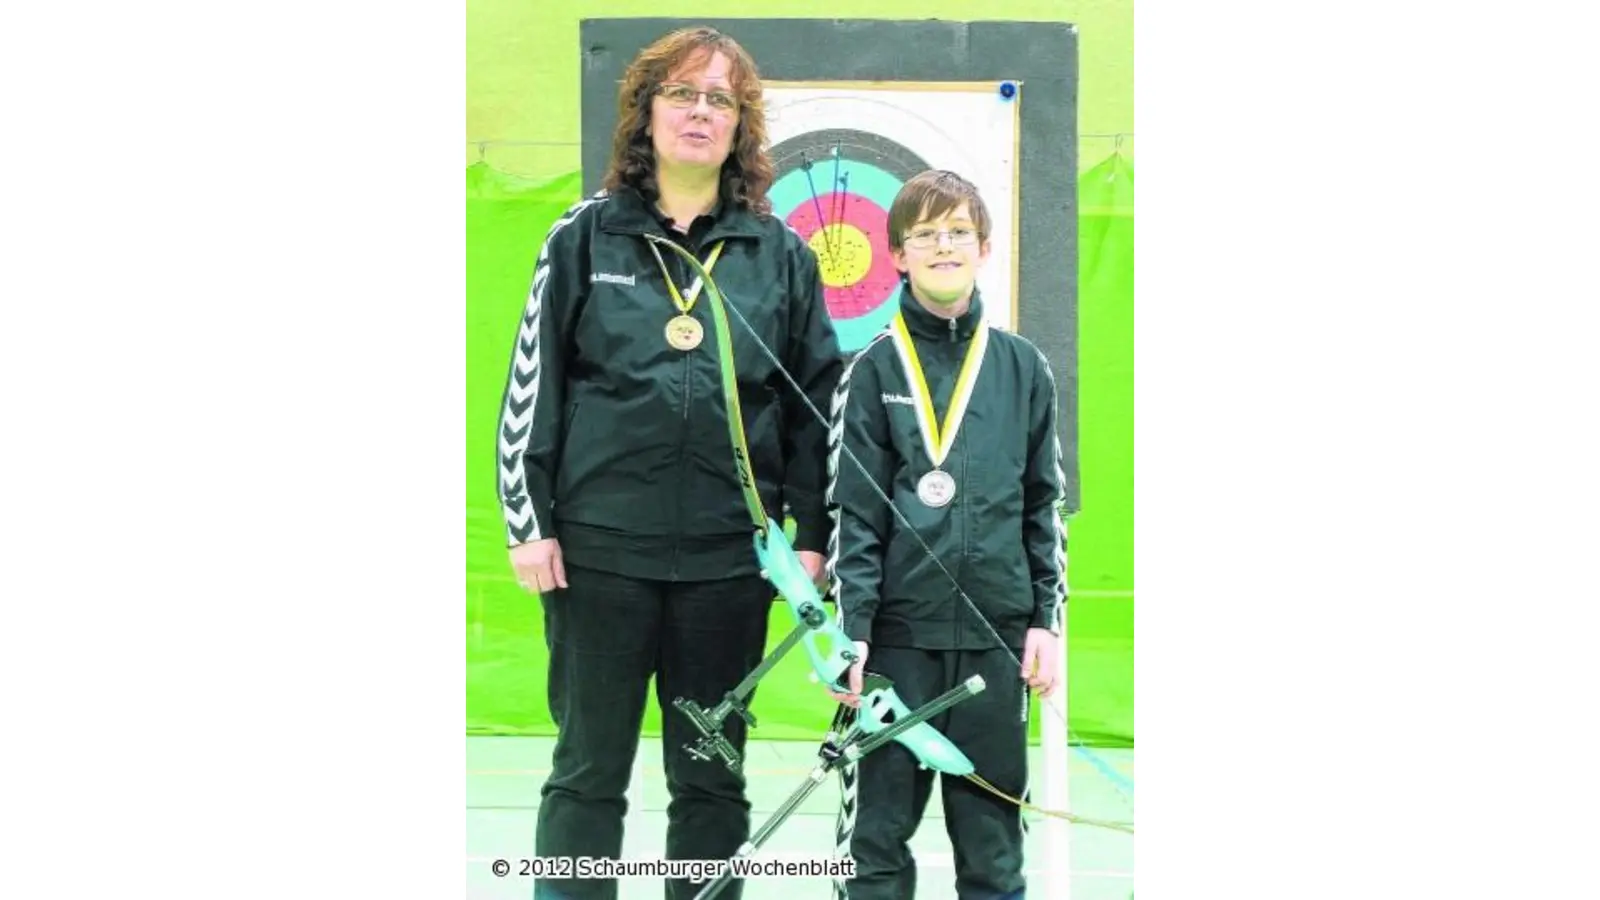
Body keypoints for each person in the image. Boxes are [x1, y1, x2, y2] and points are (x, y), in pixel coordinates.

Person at [493, 25, 843, 900]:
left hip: (730, 564)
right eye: (682, 93)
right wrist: (528, 523)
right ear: (645, 114)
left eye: (720, 99)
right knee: (586, 773)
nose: (700, 111)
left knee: (711, 780)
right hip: (599, 556)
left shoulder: (782, 255)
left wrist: (813, 537)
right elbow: (532, 386)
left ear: (740, 126)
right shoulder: (581, 237)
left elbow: (815, 407)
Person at [825, 170, 1067, 900]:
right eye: (925, 233)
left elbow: (1043, 504)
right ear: (896, 253)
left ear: (984, 247)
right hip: (897, 645)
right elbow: (854, 514)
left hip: (995, 641)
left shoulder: (1023, 367)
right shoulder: (872, 369)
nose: (943, 245)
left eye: (958, 230)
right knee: (877, 848)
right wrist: (853, 632)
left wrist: (1043, 620)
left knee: (993, 854)